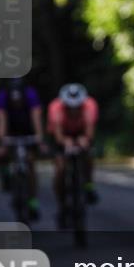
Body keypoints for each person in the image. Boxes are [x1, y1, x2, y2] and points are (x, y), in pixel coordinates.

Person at [47, 83, 100, 228]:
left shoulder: (90, 105)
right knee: (60, 170)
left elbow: (89, 130)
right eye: (70, 108)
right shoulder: (55, 107)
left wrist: (85, 139)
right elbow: (57, 134)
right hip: (62, 137)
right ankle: (62, 204)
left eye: (77, 107)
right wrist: (65, 141)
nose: (74, 110)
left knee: (88, 156)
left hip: (81, 134)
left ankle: (88, 185)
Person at [0, 78, 46, 219]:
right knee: (2, 154)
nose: (17, 103)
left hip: (28, 129)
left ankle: (33, 200)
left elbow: (36, 117)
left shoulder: (30, 94)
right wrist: (2, 142)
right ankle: (6, 176)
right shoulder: (3, 96)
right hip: (11, 130)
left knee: (30, 163)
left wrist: (39, 138)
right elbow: (1, 120)